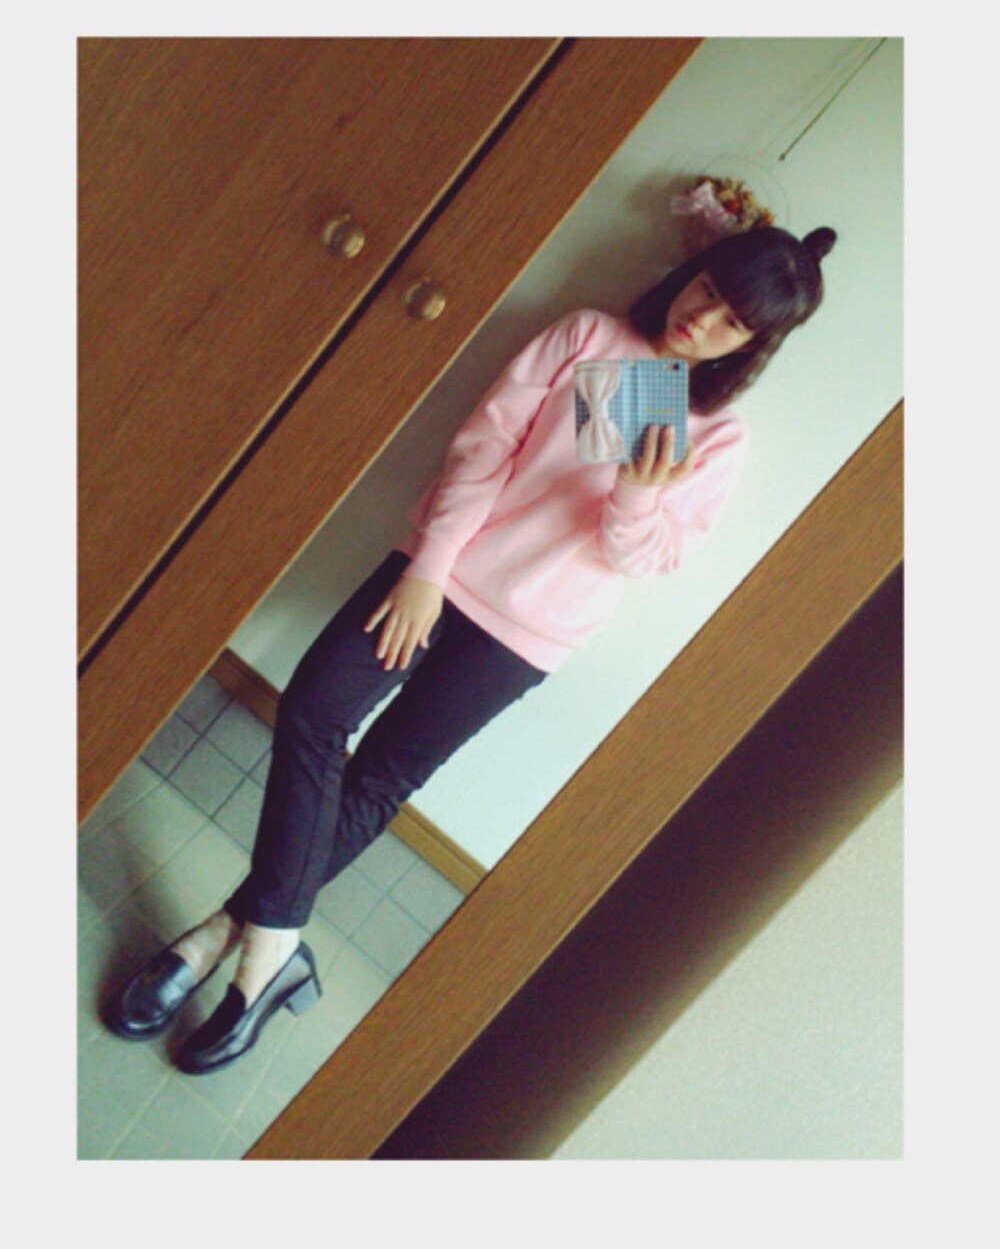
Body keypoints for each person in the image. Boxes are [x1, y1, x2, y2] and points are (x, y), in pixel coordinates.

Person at [108, 220, 837, 1074]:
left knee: (383, 777)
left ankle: (220, 939)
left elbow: (645, 558)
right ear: (694, 268)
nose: (701, 320)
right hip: (437, 575)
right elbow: (484, 447)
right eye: (707, 290)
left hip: (526, 634)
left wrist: (636, 496)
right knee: (314, 709)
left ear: (753, 344)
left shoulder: (717, 435)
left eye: (731, 323)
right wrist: (428, 569)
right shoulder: (588, 335)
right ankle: (269, 954)